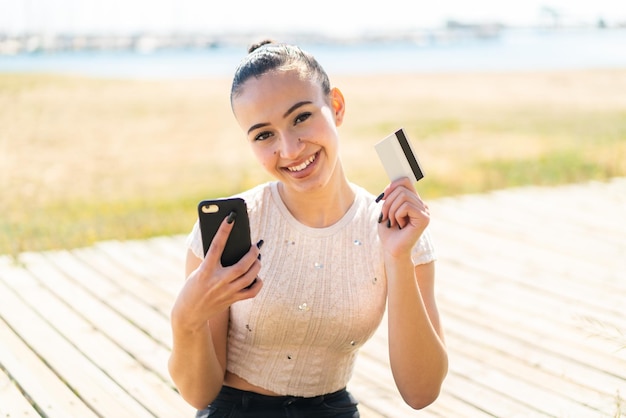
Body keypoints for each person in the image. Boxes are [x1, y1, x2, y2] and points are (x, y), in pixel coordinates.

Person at [168, 40, 448, 418]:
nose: (290, 148)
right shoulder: (230, 230)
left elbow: (421, 392)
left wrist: (397, 258)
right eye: (264, 135)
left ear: (336, 106)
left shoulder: (397, 228)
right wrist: (186, 317)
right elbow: (200, 393)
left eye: (300, 117)